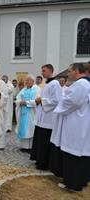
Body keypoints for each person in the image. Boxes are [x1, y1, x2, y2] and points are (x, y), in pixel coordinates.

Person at [50, 63, 90, 192]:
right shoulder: (84, 84)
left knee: (73, 152)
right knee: (81, 152)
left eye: (70, 71)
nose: (68, 74)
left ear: (77, 71)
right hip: (81, 122)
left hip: (76, 124)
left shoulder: (81, 84)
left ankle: (73, 184)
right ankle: (80, 180)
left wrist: (62, 98)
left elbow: (71, 101)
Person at [30, 64, 62, 170]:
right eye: (42, 71)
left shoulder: (55, 83)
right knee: (40, 140)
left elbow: (57, 100)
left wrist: (42, 100)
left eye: (44, 71)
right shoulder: (47, 83)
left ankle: (44, 163)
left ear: (50, 71)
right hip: (42, 118)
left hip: (49, 119)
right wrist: (40, 100)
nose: (42, 73)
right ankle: (39, 160)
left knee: (44, 142)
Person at [15, 75, 41, 150]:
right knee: (23, 127)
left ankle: (30, 147)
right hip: (23, 112)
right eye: (26, 80)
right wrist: (20, 102)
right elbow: (17, 99)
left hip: (31, 112)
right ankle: (23, 146)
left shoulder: (37, 89)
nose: (26, 82)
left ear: (33, 81)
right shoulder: (23, 89)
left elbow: (37, 100)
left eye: (28, 80)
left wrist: (26, 102)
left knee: (30, 128)